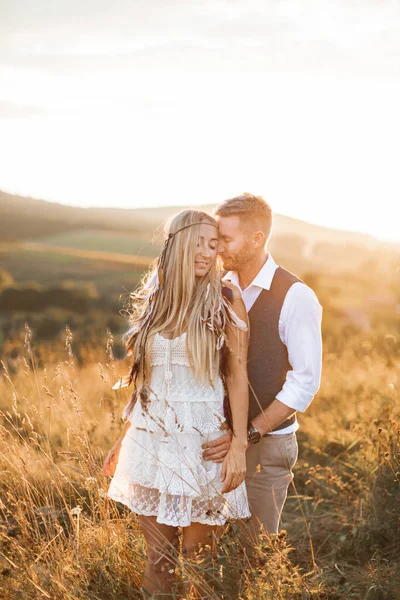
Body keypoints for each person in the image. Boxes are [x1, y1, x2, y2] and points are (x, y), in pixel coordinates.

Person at [102, 209, 250, 598]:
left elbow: (237, 376)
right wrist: (125, 438)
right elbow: (146, 382)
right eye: (198, 242)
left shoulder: (225, 300)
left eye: (213, 244)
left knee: (199, 560)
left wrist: (238, 445)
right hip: (150, 445)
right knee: (158, 558)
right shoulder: (155, 302)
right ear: (177, 244)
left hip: (204, 448)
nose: (206, 252)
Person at [202, 193, 323, 537]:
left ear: (257, 239)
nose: (218, 248)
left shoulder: (296, 296)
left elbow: (305, 383)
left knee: (254, 547)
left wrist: (247, 435)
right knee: (208, 543)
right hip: (213, 442)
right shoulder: (217, 289)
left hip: (267, 446)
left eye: (226, 239)